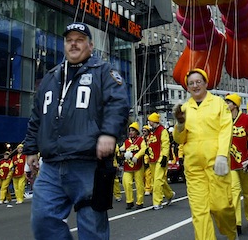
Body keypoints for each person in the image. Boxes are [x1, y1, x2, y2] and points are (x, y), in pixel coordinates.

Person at [22, 21, 129, 240]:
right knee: (42, 220)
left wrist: (108, 133)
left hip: (88, 163)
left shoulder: (104, 71)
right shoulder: (50, 77)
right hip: (51, 166)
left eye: (79, 40)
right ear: (64, 45)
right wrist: (30, 149)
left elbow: (118, 104)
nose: (73, 44)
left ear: (90, 45)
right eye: (69, 40)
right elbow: (37, 116)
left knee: (92, 229)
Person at [172, 68, 236, 240]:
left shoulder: (218, 103)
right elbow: (179, 139)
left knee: (221, 207)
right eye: (191, 83)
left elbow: (226, 129)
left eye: (198, 82)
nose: (195, 86)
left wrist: (222, 155)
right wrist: (180, 124)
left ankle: (230, 233)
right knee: (199, 212)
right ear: (187, 87)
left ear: (206, 83)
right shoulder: (185, 108)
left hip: (216, 164)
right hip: (194, 168)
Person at [225, 93, 248, 232]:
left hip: (246, 162)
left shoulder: (247, 120)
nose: (226, 105)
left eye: (228, 102)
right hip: (230, 163)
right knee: (234, 191)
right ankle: (236, 223)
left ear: (235, 105)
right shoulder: (223, 120)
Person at [145, 111, 175, 209]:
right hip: (152, 159)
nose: (149, 123)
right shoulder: (151, 132)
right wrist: (147, 151)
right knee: (158, 179)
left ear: (154, 121)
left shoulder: (162, 131)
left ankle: (157, 202)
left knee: (157, 180)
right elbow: (149, 144)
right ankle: (170, 194)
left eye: (150, 121)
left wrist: (165, 157)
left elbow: (166, 144)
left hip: (161, 158)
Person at [121, 122, 147, 210]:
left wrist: (136, 156)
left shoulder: (140, 140)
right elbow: (122, 150)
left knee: (139, 184)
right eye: (130, 131)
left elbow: (143, 149)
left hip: (138, 165)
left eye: (133, 130)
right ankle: (129, 201)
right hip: (127, 165)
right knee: (126, 182)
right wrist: (121, 152)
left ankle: (140, 202)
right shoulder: (126, 141)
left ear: (136, 132)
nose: (131, 132)